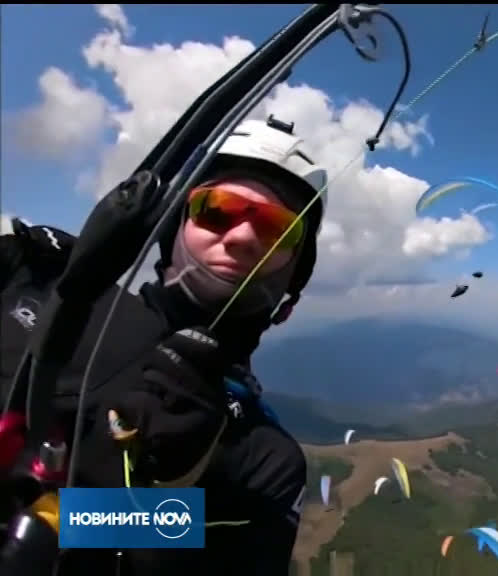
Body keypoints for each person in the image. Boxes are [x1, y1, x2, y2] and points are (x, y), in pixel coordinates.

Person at [0, 116, 328, 575]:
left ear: (292, 288)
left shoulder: (262, 462)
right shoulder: (41, 285)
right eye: (217, 209)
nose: (243, 237)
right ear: (170, 230)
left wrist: (169, 493)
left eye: (278, 230)